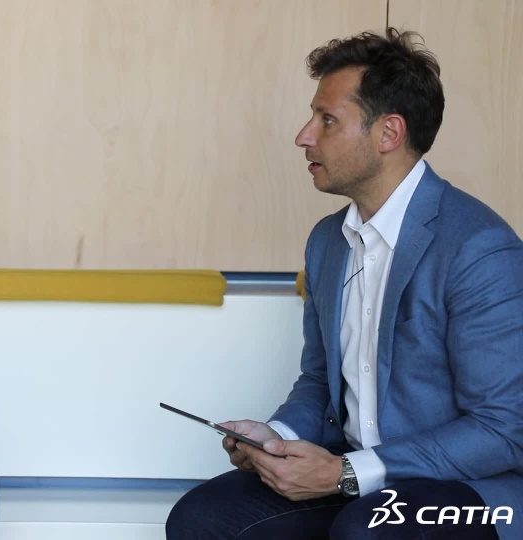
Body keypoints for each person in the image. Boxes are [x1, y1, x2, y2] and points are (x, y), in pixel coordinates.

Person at [166, 28, 523, 540]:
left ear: (389, 133)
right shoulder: (327, 241)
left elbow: (503, 428)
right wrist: (275, 439)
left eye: (327, 120)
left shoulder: (479, 249)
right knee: (200, 518)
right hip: (353, 476)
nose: (304, 136)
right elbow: (319, 381)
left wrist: (347, 473)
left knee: (367, 531)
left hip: (471, 492)